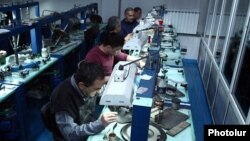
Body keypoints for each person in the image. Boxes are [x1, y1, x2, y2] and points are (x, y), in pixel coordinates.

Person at [49, 61, 118, 141]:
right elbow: (71, 134)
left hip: (88, 122)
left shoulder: (85, 82)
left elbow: (98, 94)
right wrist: (100, 124)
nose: (99, 92)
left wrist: (114, 100)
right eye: (97, 89)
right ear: (82, 86)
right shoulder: (63, 102)